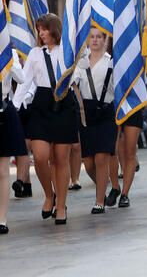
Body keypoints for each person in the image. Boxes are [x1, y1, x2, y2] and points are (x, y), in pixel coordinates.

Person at [13, 14, 80, 225]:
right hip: (42, 104)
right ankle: (49, 195)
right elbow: (25, 81)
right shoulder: (34, 53)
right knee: (40, 156)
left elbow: (81, 69)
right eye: (39, 29)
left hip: (63, 102)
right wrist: (14, 106)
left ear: (55, 30)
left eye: (44, 29)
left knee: (61, 158)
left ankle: (61, 206)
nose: (41, 33)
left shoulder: (68, 51)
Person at [72, 28, 118, 214]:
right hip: (86, 113)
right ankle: (103, 184)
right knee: (89, 162)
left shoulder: (112, 63)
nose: (95, 40)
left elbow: (119, 88)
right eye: (92, 37)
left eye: (99, 37)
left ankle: (99, 201)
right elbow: (72, 83)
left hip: (107, 113)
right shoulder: (81, 64)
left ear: (105, 40)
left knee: (101, 158)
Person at [1, 48, 27, 234]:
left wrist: (8, 62)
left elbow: (21, 78)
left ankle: (1, 219)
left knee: (2, 170)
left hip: (3, 109)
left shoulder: (8, 51)